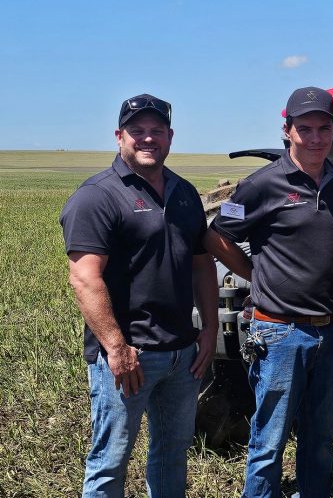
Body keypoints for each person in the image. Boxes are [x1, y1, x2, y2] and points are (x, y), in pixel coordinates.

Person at [204, 86, 333, 498]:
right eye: (304, 129)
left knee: (321, 437)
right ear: (287, 130)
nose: (314, 138)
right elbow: (218, 236)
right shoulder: (261, 186)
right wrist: (253, 274)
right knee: (269, 441)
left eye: (323, 129)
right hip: (279, 333)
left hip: (332, 333)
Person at [60, 94, 218, 498]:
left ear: (170, 136)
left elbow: (201, 263)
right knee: (110, 461)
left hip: (182, 355)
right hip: (128, 356)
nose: (148, 138)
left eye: (157, 131)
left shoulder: (183, 193)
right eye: (137, 131)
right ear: (119, 137)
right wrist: (116, 347)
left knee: (171, 453)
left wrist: (210, 327)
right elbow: (84, 279)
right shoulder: (97, 196)